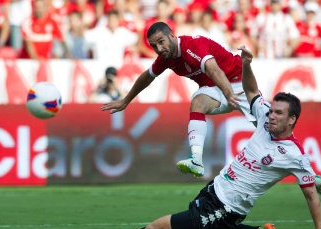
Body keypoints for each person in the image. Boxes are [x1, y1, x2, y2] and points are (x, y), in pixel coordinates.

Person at [83, 45, 321, 229]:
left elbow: (312, 197)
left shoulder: (294, 155)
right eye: (272, 110)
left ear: (292, 120)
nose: (271, 115)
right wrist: (246, 64)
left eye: (279, 113)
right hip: (216, 187)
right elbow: (252, 91)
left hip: (226, 206)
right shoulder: (264, 118)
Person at [101, 22, 255, 178]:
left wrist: (228, 94)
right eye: (154, 46)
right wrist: (126, 100)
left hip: (238, 83)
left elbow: (214, 70)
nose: (159, 49)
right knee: (197, 103)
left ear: (172, 36)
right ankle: (196, 160)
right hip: (213, 88)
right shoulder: (166, 58)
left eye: (161, 42)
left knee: (270, 126)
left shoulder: (193, 46)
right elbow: (147, 77)